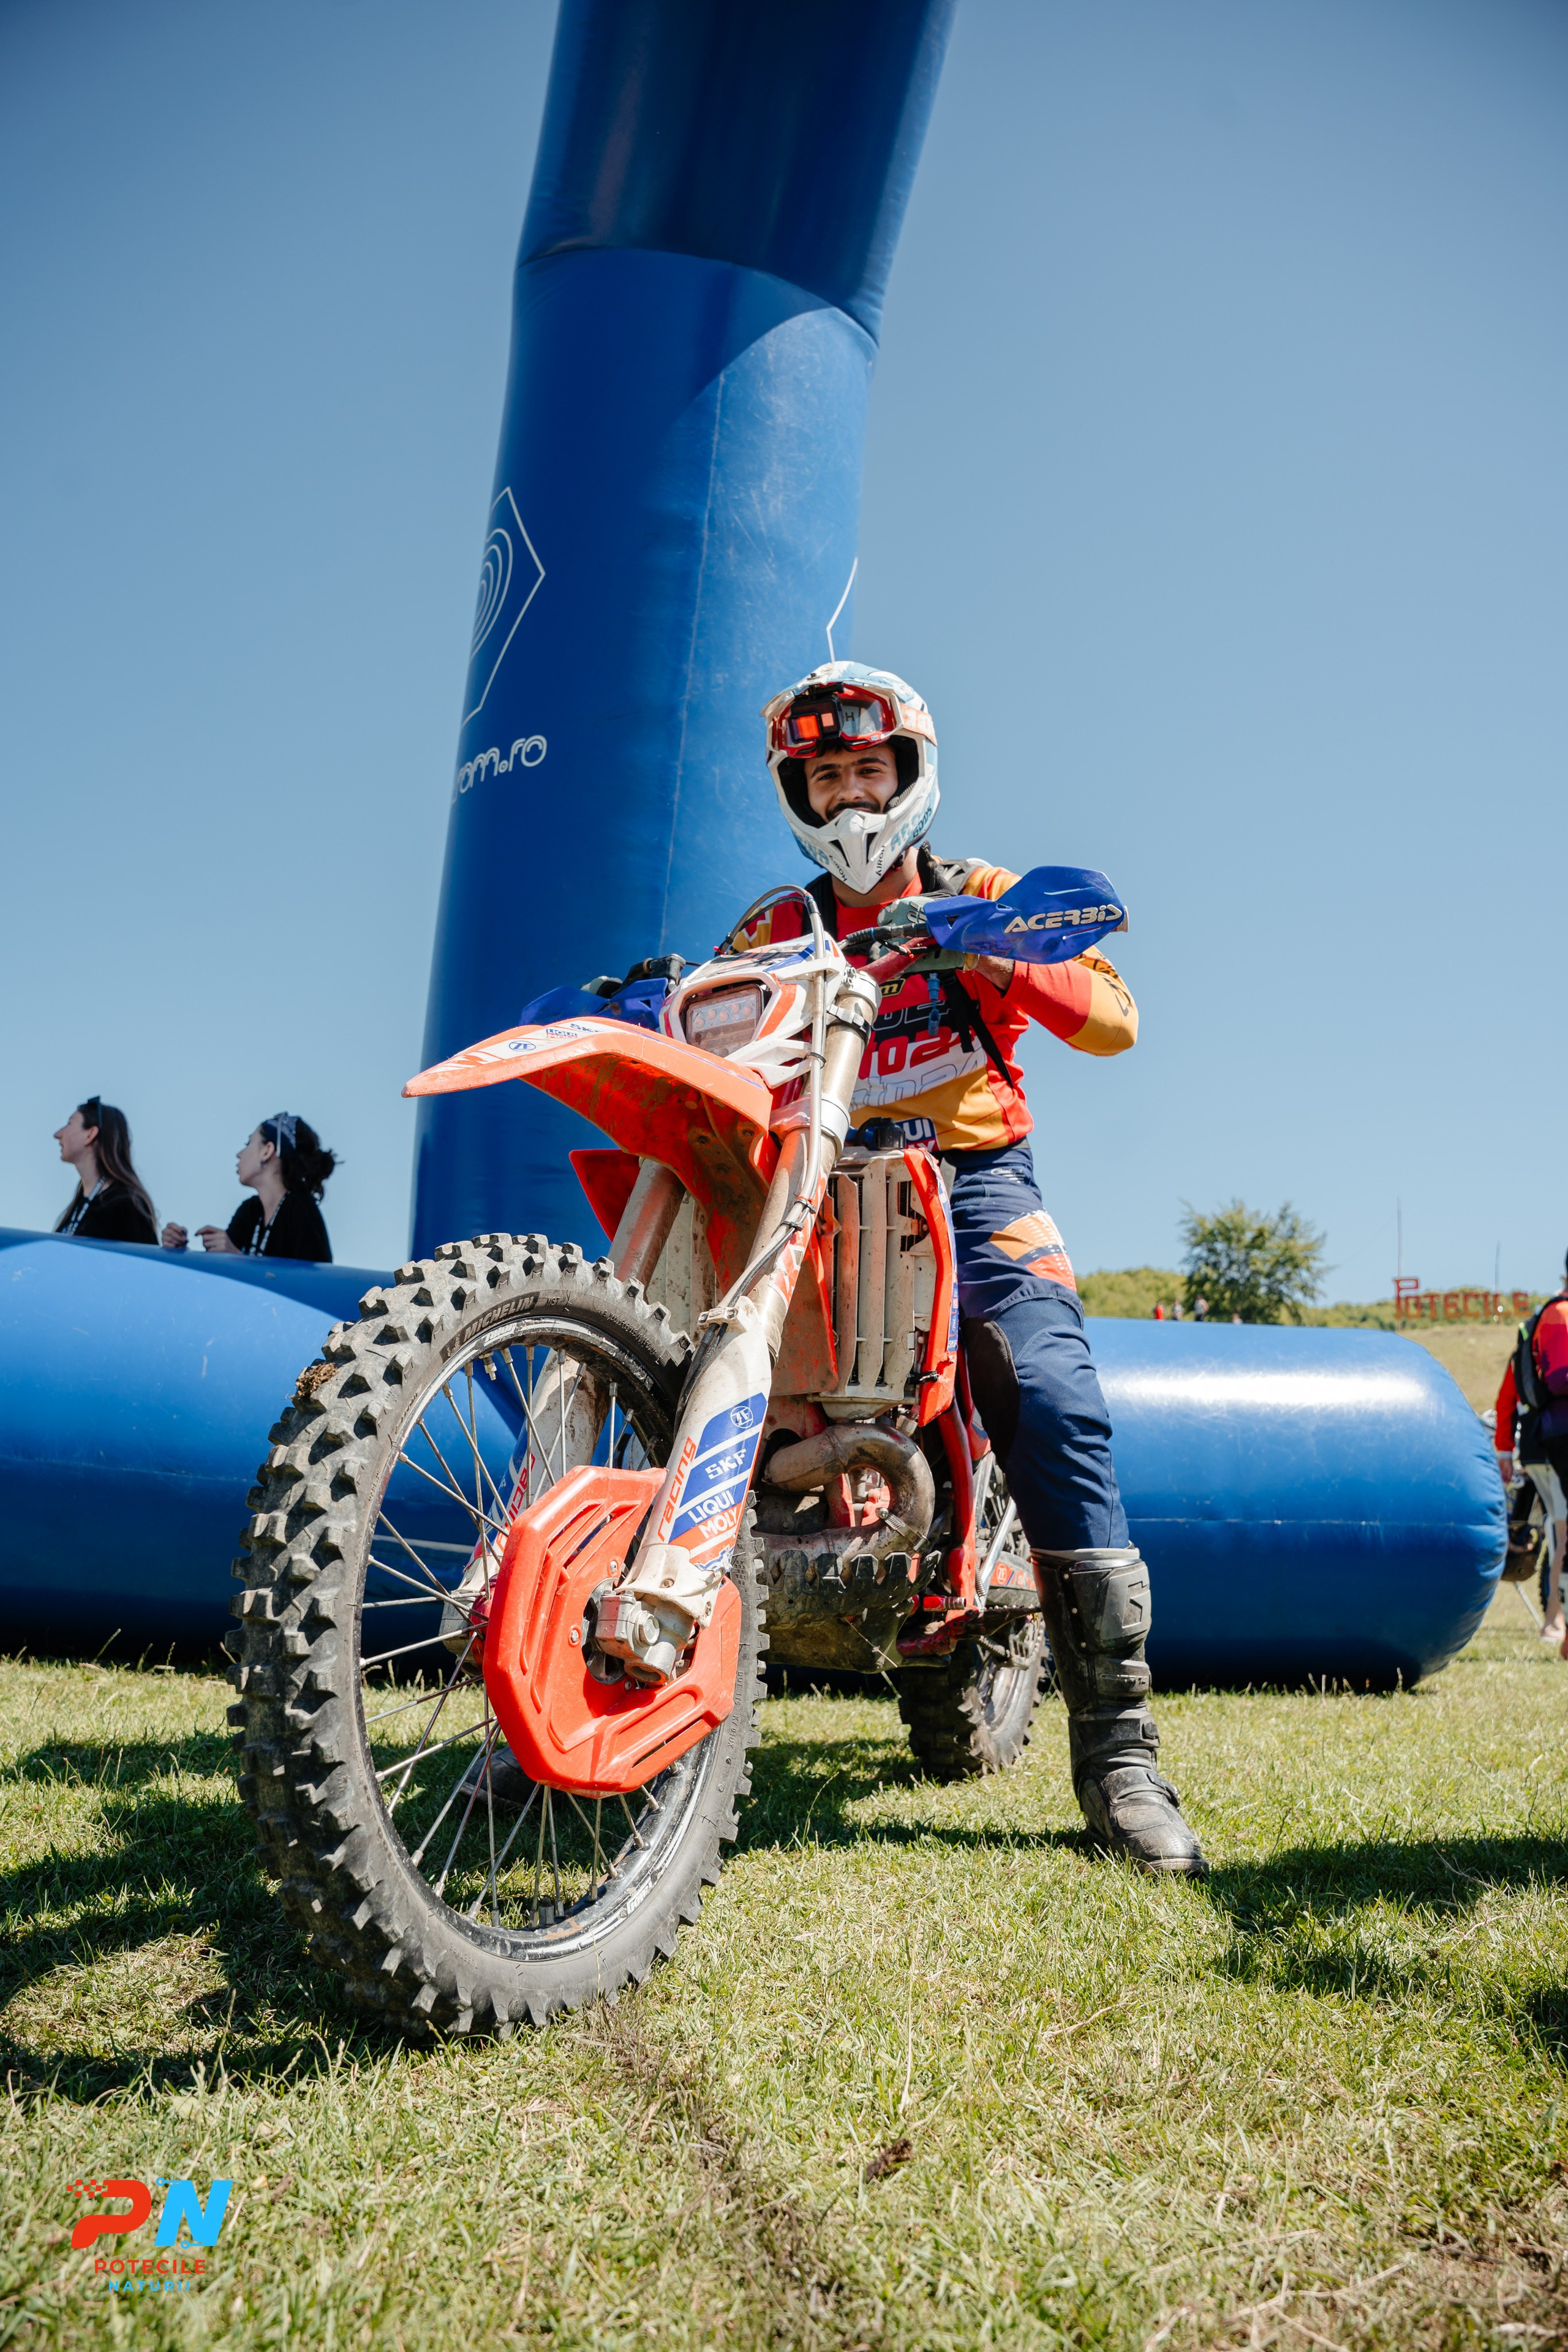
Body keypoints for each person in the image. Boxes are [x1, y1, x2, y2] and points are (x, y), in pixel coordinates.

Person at [743, 660, 1207, 1876]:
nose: (847, 795)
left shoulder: (979, 889)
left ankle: (1118, 1755)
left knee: (1049, 1400)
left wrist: (987, 948)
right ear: (798, 786)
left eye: (865, 769)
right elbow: (715, 1015)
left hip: (973, 1185)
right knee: (693, 1363)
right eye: (825, 773)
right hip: (814, 1199)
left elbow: (1113, 1016)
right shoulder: (775, 929)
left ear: (907, 775)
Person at [1494, 1254, 1568, 1651]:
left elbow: (1509, 1392)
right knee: (1562, 1534)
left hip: (1536, 1444)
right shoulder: (1560, 1319)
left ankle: (1555, 1621)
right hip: (1555, 1442)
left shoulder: (1533, 1325)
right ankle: (1555, 1623)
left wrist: (1505, 1450)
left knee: (1561, 1533)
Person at [161, 1114, 336, 1262]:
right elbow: (226, 1274)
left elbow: (315, 1285)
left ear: (267, 1151)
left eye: (248, 1143)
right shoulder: (250, 1210)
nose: (239, 1154)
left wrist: (238, 1257)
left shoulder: (301, 1208)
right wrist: (180, 1250)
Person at [53, 1098, 157, 1244]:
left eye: (70, 1124)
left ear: (90, 1135)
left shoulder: (125, 1203)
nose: (57, 1134)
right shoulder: (80, 1204)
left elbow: (144, 1263)